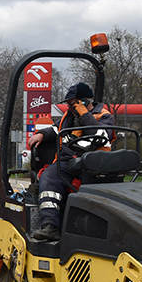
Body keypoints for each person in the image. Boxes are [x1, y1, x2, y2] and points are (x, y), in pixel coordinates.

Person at [28, 82, 114, 243]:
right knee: (49, 177)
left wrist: (82, 112)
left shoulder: (102, 115)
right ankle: (50, 226)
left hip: (94, 162)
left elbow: (100, 135)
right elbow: (56, 129)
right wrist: (41, 134)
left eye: (72, 103)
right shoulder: (69, 116)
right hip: (67, 162)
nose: (69, 106)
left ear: (83, 101)